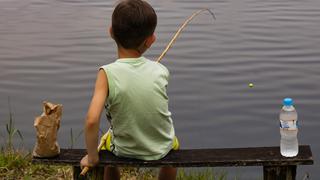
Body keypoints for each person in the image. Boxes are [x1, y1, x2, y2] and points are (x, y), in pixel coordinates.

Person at [80, 0, 179, 179]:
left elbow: (92, 120)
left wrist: (92, 158)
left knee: (109, 154)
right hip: (162, 148)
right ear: (151, 41)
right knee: (174, 145)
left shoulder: (106, 73)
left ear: (111, 32)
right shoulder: (161, 70)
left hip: (123, 150)